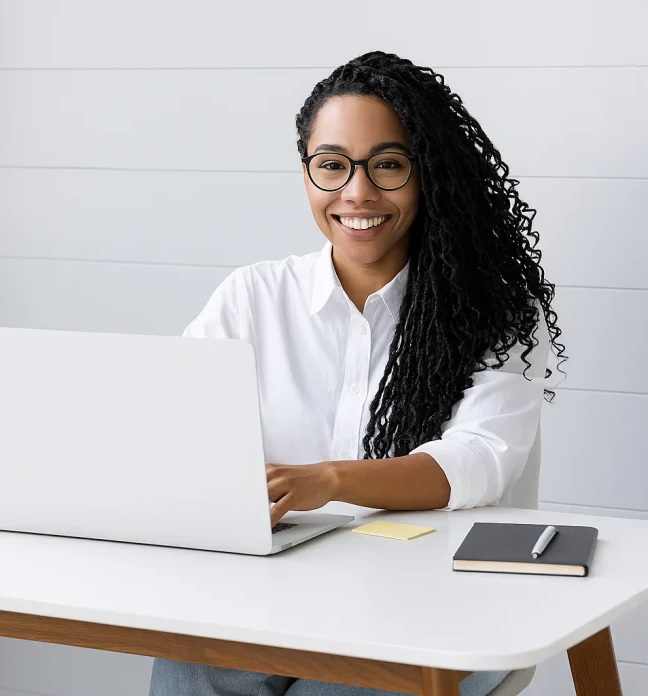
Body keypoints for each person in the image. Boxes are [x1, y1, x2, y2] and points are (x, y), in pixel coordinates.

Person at [148, 51, 567, 696]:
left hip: (442, 603)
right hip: (276, 592)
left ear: (429, 175)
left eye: (388, 165)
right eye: (333, 165)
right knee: (191, 658)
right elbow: (173, 426)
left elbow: (477, 462)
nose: (357, 192)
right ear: (307, 172)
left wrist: (329, 481)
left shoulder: (497, 314)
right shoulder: (252, 297)